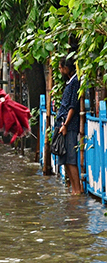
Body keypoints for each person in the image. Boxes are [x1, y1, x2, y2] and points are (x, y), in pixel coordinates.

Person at [55, 58, 83, 195]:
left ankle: (77, 190)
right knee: (65, 158)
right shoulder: (70, 82)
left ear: (66, 68)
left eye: (61, 68)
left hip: (69, 126)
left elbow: (72, 106)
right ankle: (74, 190)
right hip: (64, 124)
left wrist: (65, 124)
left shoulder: (75, 82)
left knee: (71, 159)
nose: (60, 70)